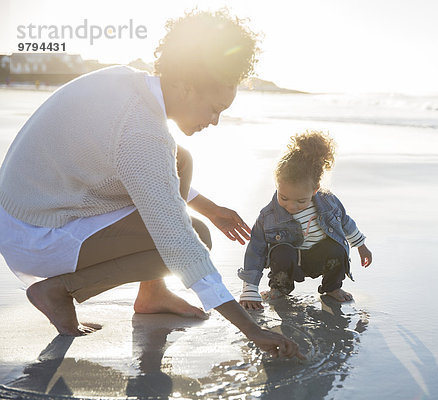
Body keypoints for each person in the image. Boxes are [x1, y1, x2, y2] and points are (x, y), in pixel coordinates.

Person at [0, 9, 303, 359]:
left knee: (181, 158)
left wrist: (211, 208)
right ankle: (57, 289)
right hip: (36, 231)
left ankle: (152, 293)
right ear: (185, 87)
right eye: (215, 108)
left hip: (31, 207)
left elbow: (148, 170)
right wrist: (251, 330)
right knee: (196, 236)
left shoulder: (126, 81)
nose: (215, 121)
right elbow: (178, 241)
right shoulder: (142, 132)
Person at [238, 131, 373, 310]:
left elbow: (345, 222)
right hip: (289, 261)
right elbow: (255, 250)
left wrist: (361, 246)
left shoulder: (328, 203)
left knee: (337, 249)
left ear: (315, 189)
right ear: (277, 185)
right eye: (284, 197)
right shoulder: (268, 216)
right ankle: (279, 288)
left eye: (301, 201)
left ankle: (332, 287)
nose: (292, 206)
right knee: (281, 251)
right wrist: (250, 288)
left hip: (319, 258)